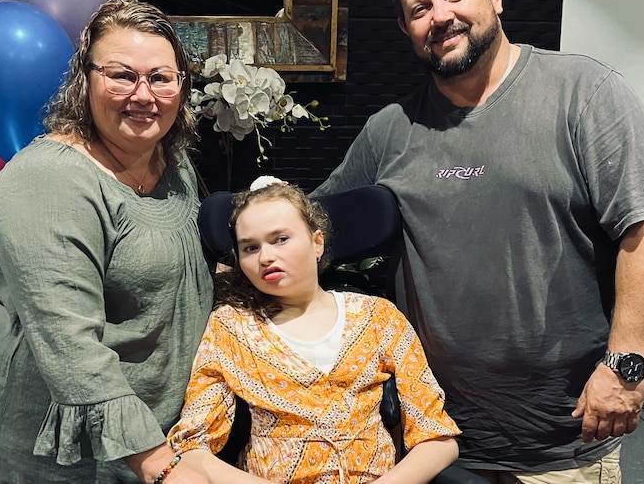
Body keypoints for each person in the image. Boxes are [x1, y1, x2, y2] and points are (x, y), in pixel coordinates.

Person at [310, 0, 644, 483]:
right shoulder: (390, 130)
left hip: (561, 439)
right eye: (420, 9)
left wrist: (625, 367)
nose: (440, 16)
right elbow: (311, 229)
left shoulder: (583, 93)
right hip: (430, 438)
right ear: (406, 30)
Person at [0, 0, 213, 484]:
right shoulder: (46, 181)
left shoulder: (173, 163)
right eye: (121, 74)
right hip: (57, 451)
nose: (143, 94)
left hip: (157, 436)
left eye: (160, 77)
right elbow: (70, 346)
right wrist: (160, 465)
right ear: (84, 80)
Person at [166, 182, 461, 483]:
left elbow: (438, 439)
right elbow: (190, 448)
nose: (265, 257)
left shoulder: (378, 317)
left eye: (280, 239)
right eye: (250, 247)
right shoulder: (231, 327)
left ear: (316, 242)